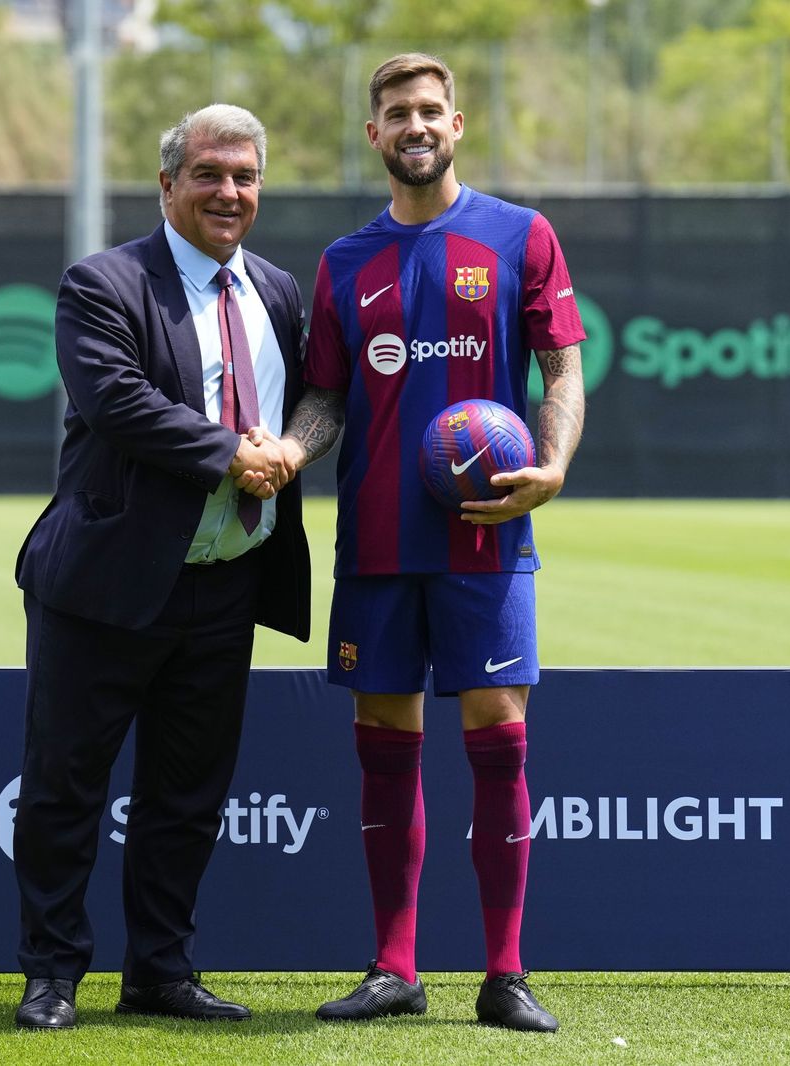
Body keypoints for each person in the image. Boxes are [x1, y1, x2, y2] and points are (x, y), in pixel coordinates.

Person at [255, 52, 587, 1032]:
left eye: (431, 110)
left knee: (498, 741)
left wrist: (554, 464)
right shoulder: (344, 263)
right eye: (397, 111)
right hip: (377, 543)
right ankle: (394, 967)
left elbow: (562, 370)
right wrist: (290, 449)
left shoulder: (520, 236)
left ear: (457, 123)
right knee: (385, 752)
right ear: (374, 134)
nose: (416, 125)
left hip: (488, 538)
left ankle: (504, 973)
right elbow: (323, 395)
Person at [10, 103, 309, 1031]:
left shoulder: (280, 292)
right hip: (107, 582)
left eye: (246, 176)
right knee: (67, 787)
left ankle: (161, 971)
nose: (230, 192)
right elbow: (117, 402)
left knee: (189, 795)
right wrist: (232, 456)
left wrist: (292, 449)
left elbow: (316, 405)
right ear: (169, 183)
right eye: (212, 174)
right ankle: (53, 975)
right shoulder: (102, 283)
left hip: (225, 583)